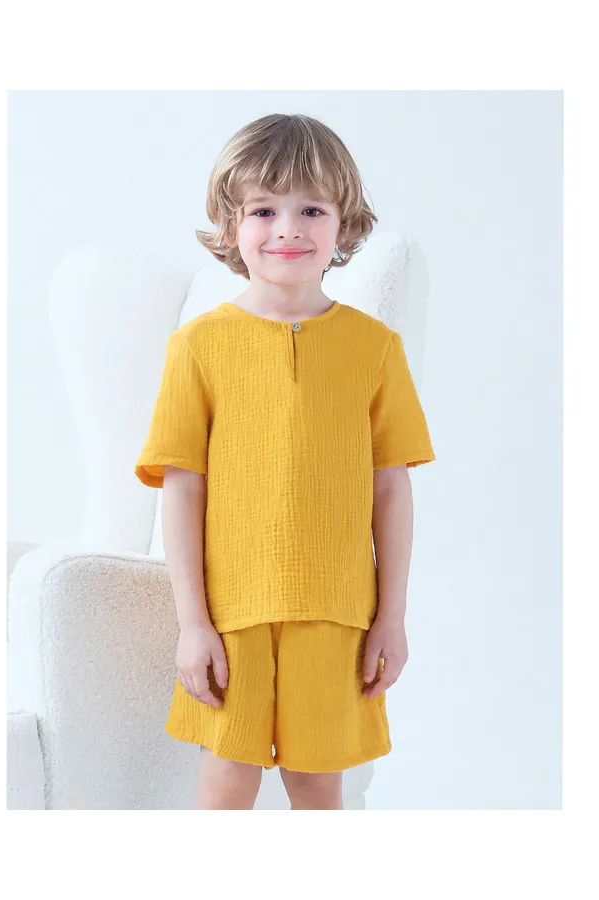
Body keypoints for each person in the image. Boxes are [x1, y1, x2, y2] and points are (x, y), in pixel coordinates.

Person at [134, 113, 436, 810]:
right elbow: (181, 489)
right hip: (233, 611)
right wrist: (194, 623)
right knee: (225, 781)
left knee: (318, 785)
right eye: (263, 210)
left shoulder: (375, 349)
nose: (288, 230)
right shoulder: (198, 346)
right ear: (231, 223)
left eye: (312, 210)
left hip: (337, 609)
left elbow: (391, 490)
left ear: (343, 222)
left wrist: (391, 618)